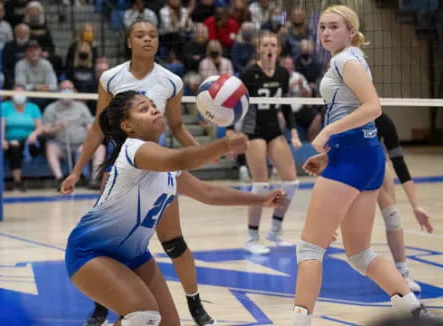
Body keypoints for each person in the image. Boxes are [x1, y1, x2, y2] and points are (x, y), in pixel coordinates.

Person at [65, 90, 286, 326]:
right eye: (143, 108)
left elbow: (208, 193)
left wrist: (259, 199)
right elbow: (181, 159)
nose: (154, 109)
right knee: (143, 316)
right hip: (91, 252)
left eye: (152, 105)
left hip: (135, 255)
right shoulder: (132, 150)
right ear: (127, 126)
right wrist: (223, 145)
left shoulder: (169, 168)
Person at [60, 20, 216, 326]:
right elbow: (97, 126)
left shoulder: (170, 80)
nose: (147, 40)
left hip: (158, 165)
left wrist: (202, 153)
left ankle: (194, 303)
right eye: (140, 35)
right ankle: (105, 304)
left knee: (174, 243)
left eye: (153, 35)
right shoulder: (111, 77)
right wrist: (77, 171)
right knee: (109, 237)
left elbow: (177, 126)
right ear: (129, 41)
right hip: (122, 167)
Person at [291, 6, 436, 325]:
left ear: (351, 31)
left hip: (354, 159)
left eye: (334, 27)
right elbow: (350, 111)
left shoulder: (347, 60)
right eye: (323, 27)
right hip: (362, 156)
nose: (325, 32)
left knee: (309, 249)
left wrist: (327, 132)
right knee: (359, 255)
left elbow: (373, 108)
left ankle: (299, 321)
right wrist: (329, 154)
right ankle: (413, 310)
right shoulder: (350, 57)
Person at [236, 31, 302, 255]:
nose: (269, 48)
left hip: (274, 129)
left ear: (278, 49)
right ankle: (252, 237)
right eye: (265, 45)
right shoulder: (249, 73)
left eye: (273, 44)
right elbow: (237, 104)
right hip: (253, 129)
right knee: (261, 185)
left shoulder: (283, 73)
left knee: (292, 182)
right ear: (259, 49)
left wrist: (293, 131)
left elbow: (284, 105)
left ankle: (275, 229)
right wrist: (231, 132)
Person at [376, 112, 434, 293]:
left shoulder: (383, 120)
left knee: (393, 216)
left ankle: (402, 273)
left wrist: (415, 206)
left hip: (376, 165)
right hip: (349, 165)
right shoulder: (342, 113)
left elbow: (399, 163)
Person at [42, 80, 105, 191]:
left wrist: (87, 144)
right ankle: (60, 179)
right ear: (58, 91)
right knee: (50, 147)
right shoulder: (51, 108)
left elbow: (91, 127)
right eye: (63, 88)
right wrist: (58, 127)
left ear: (74, 91)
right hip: (61, 145)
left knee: (100, 148)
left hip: (81, 145)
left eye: (69, 88)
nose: (67, 91)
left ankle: (94, 180)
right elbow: (46, 130)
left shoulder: (81, 107)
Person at [1, 85, 43, 192]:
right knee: (14, 148)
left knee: (19, 145)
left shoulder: (33, 107)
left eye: (21, 92)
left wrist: (34, 134)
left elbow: (40, 128)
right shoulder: (4, 106)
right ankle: (17, 181)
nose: (19, 95)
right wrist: (2, 140)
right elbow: (1, 126)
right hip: (10, 141)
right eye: (16, 92)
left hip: (30, 141)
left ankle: (18, 181)